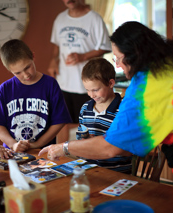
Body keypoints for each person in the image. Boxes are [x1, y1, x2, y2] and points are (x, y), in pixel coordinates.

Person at [40, 21, 173, 210]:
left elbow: (110, 147)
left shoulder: (145, 86)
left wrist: (65, 147)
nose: (116, 64)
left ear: (134, 55)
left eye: (117, 58)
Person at [0, 39, 72, 153]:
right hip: (13, 153)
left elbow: (60, 121)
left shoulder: (50, 84)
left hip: (43, 152)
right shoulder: (4, 89)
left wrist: (38, 144)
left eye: (27, 67)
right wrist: (13, 145)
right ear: (9, 70)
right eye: (18, 73)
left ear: (33, 56)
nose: (25, 74)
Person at [48, 0, 112, 143]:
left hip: (87, 86)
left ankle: (88, 159)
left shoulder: (94, 19)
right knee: (62, 123)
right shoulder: (60, 18)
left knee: (88, 126)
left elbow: (105, 47)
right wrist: (53, 60)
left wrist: (82, 56)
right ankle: (63, 159)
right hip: (63, 82)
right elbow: (57, 46)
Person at [78, 57, 132, 173]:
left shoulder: (123, 110)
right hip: (89, 171)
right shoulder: (85, 108)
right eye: (87, 90)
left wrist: (99, 143)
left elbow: (129, 148)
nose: (91, 95)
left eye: (96, 90)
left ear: (111, 83)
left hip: (116, 172)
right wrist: (84, 140)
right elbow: (80, 138)